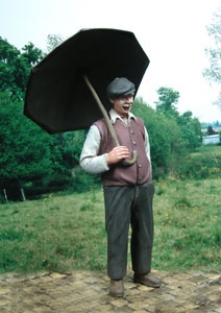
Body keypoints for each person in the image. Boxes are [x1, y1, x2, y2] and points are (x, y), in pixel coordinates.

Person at [80, 77, 161, 297]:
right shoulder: (99, 128)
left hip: (144, 187)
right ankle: (116, 278)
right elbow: (85, 162)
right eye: (123, 97)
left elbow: (146, 150)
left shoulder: (139, 123)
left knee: (145, 231)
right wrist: (109, 158)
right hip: (116, 189)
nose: (128, 101)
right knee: (117, 233)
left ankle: (142, 272)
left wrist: (148, 176)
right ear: (111, 99)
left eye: (131, 95)